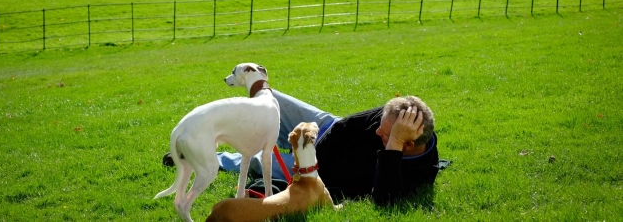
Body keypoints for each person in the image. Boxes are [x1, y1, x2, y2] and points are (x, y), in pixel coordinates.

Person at [163, 91, 439, 205]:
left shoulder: (420, 172)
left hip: (323, 175)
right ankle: (207, 130)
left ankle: (217, 156)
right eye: (381, 124)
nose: (377, 131)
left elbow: (384, 200)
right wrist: (309, 151)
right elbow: (345, 127)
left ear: (408, 144)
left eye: (387, 134)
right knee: (268, 96)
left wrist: (392, 146)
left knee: (262, 162)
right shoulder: (395, 117)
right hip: (327, 131)